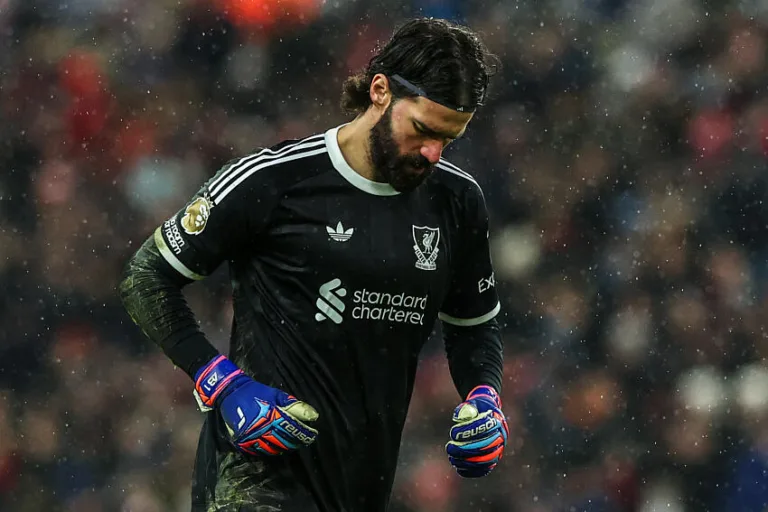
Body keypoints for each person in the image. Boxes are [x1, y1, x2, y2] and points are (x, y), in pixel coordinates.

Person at [119, 17, 508, 512]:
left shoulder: (456, 201)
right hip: (255, 485)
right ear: (380, 91)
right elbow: (147, 276)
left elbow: (474, 327)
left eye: (448, 140)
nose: (432, 153)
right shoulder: (274, 180)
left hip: (360, 486)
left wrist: (484, 398)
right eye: (422, 130)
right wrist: (224, 384)